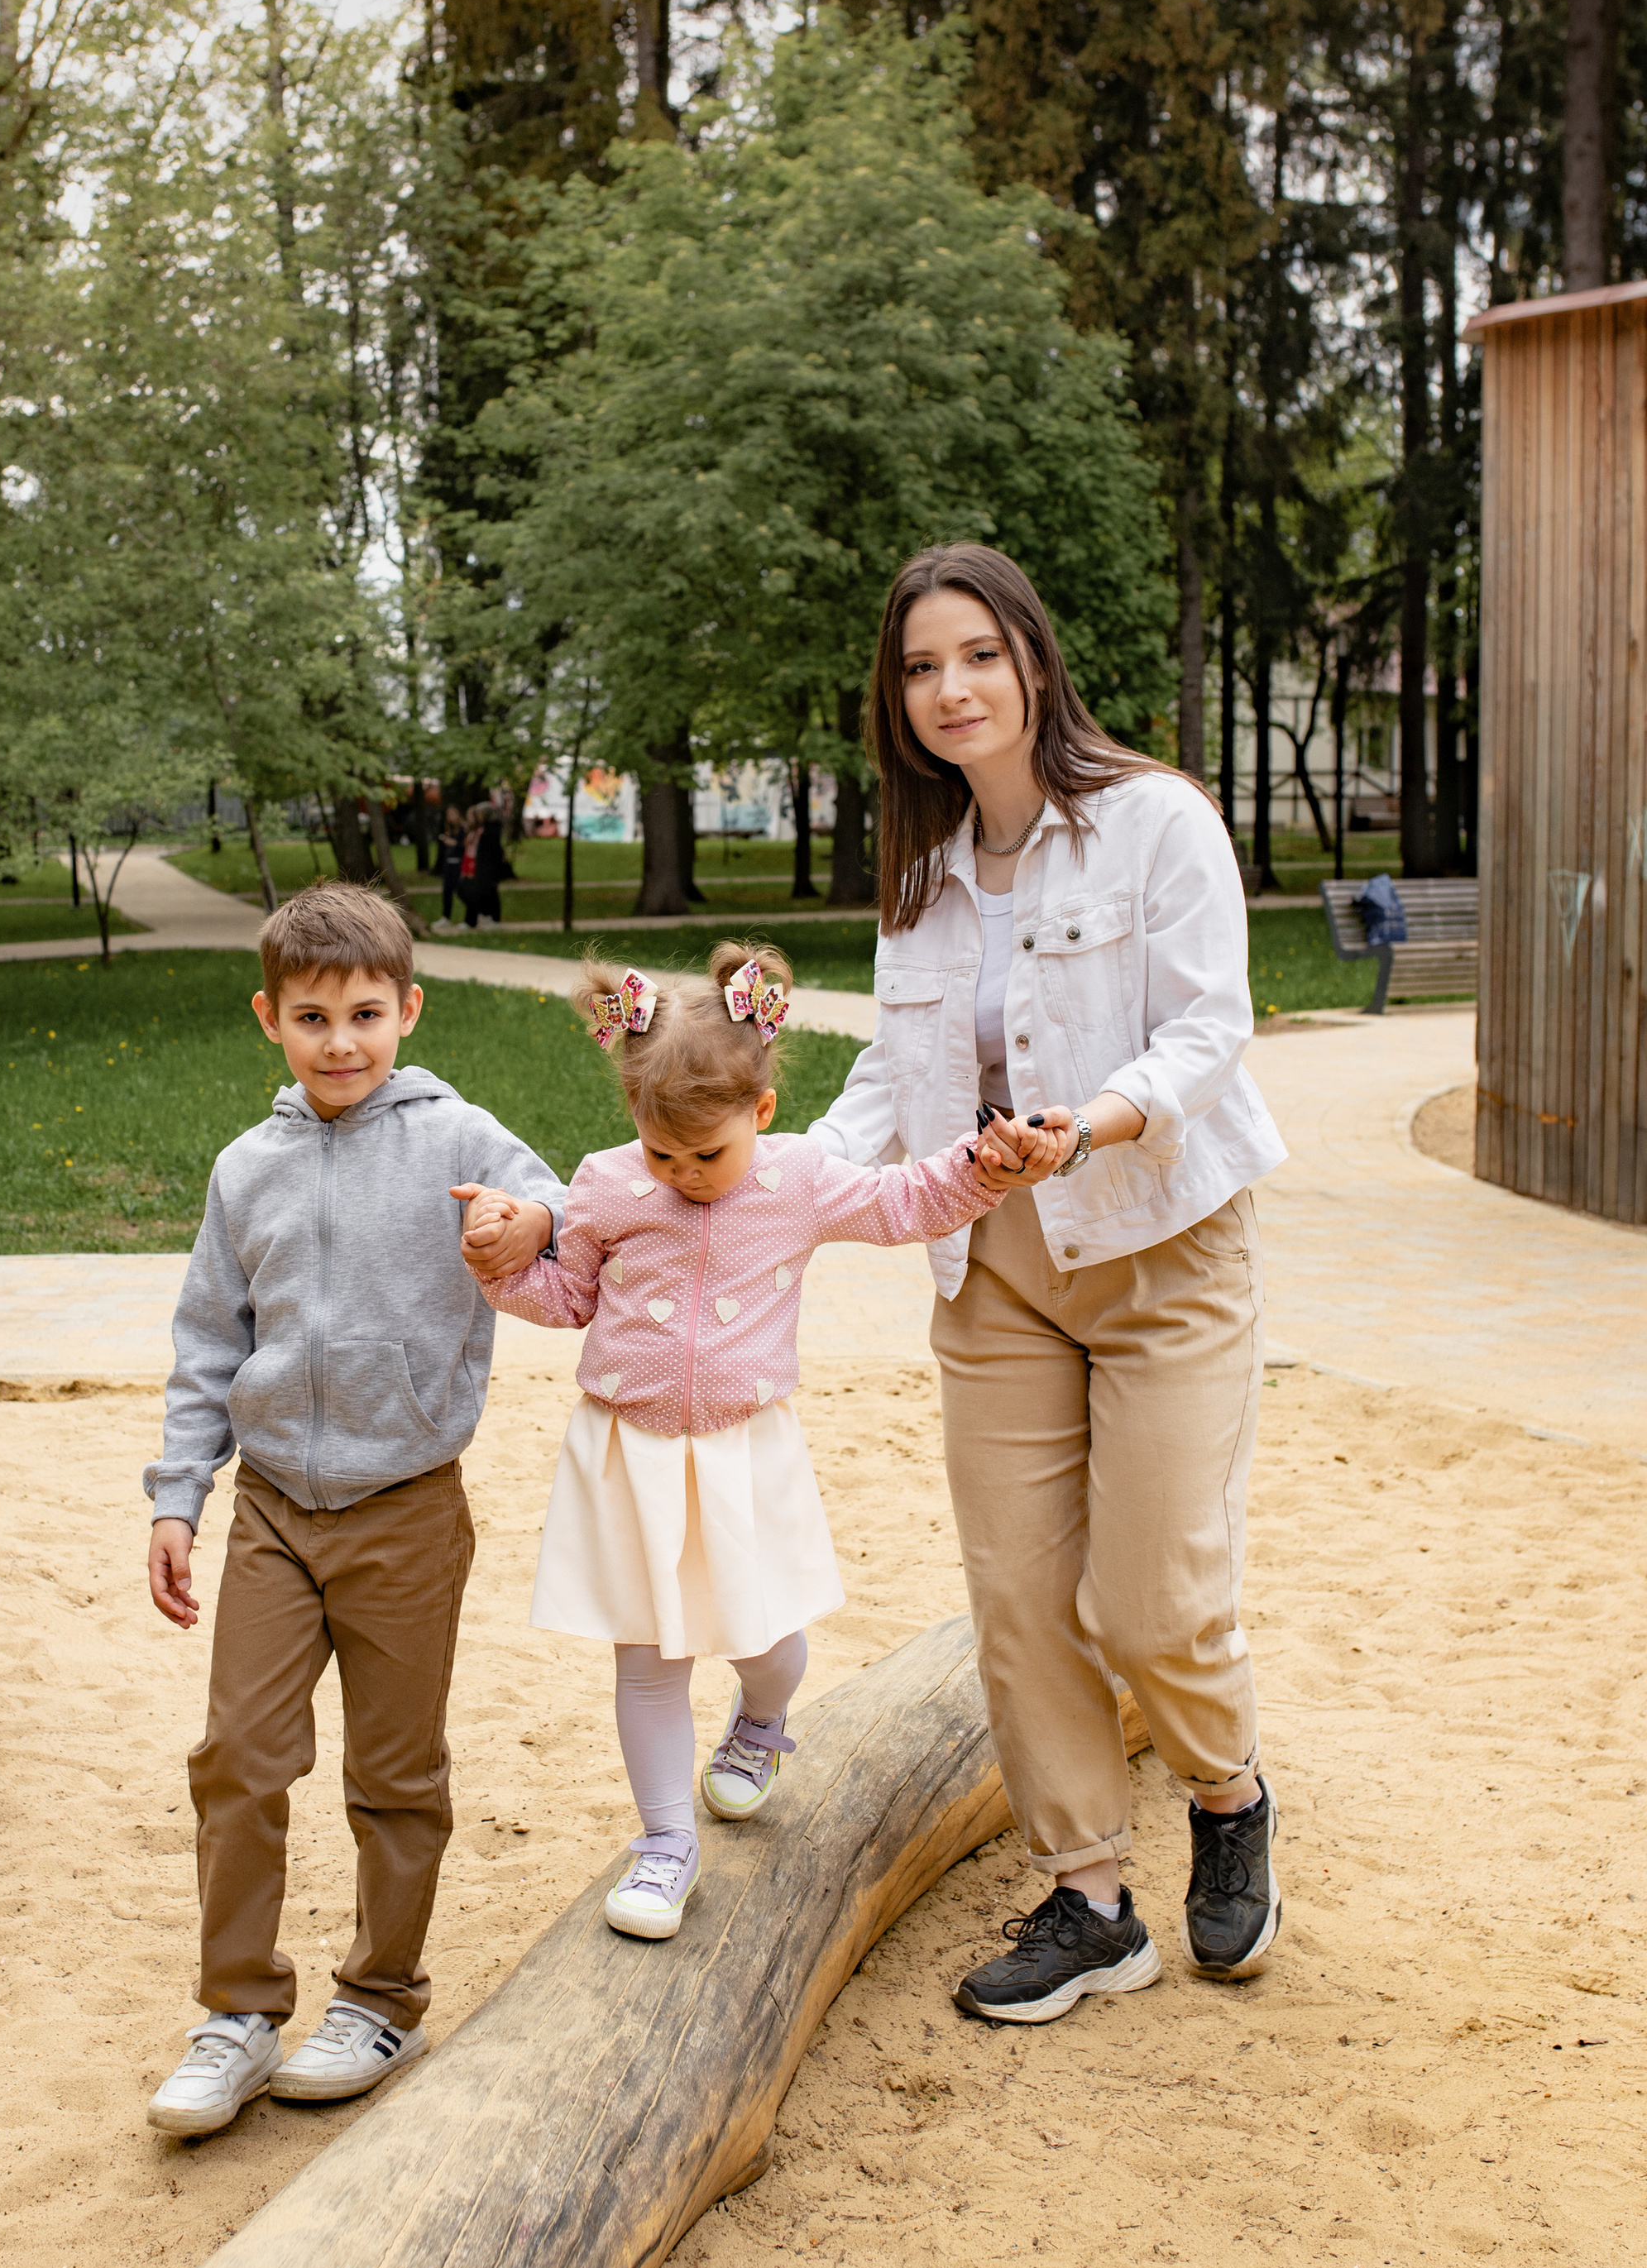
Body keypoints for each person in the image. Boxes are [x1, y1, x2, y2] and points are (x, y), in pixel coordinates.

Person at [809, 543, 1288, 2026]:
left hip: (1156, 1241)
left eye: (975, 656)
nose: (950, 690)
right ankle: (1091, 1897)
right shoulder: (921, 873)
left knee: (1151, 1605)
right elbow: (891, 1079)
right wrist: (768, 1184)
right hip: (992, 1269)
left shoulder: (1154, 822)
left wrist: (1087, 1125)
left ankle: (1226, 1791)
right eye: (918, 667)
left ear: (1031, 659)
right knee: (1019, 1600)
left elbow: (1212, 1033)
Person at [456, 945, 1024, 1941]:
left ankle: (762, 1720)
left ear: (759, 1115)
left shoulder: (798, 1178)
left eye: (706, 1156)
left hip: (741, 1453)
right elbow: (567, 1296)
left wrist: (979, 1167)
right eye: (661, 1153)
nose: (682, 1176)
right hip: (628, 1455)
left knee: (764, 1643)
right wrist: (502, 1267)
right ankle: (665, 1844)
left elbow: (903, 1205)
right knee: (646, 1658)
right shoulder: (603, 1187)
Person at [141, 880, 563, 2135]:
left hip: (407, 1509)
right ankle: (237, 2014)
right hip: (274, 1511)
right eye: (313, 1016)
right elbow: (208, 1344)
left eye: (366, 1014)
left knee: (394, 1772)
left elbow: (560, 1204)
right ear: (268, 1017)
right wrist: (180, 1499)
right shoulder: (246, 1168)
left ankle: (382, 1994)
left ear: (409, 1010)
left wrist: (521, 1220)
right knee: (237, 1758)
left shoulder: (455, 1137)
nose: (341, 1042)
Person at [461, 801, 505, 931]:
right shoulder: (487, 828)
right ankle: (487, 915)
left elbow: (493, 850)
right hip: (484, 866)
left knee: (491, 891)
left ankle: (494, 918)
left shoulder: (492, 829)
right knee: (485, 891)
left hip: (489, 867)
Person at [438, 806, 466, 923]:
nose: (451, 818)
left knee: (461, 891)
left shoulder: (463, 829)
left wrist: (454, 843)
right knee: (447, 891)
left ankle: (476, 912)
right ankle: (446, 917)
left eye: (452, 815)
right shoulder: (448, 829)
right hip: (449, 863)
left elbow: (465, 846)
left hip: (458, 863)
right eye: (449, 815)